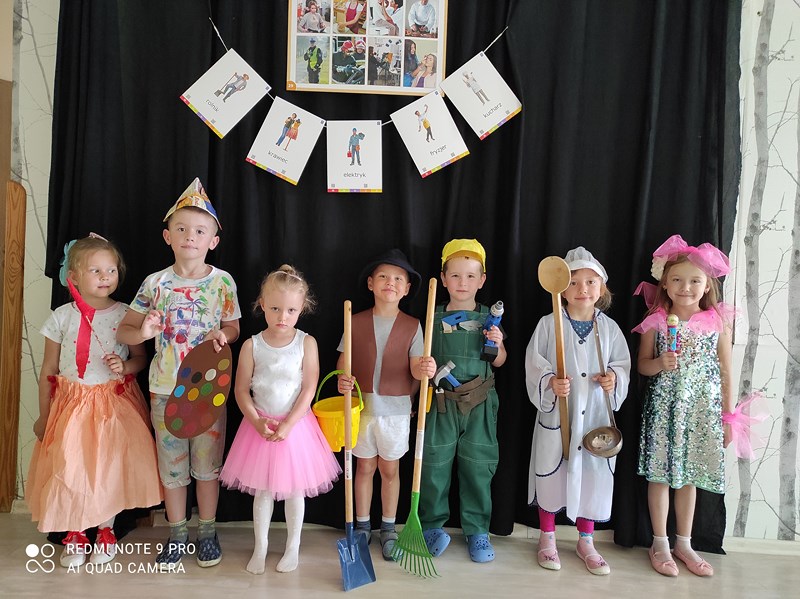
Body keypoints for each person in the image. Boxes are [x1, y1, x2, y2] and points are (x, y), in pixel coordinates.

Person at [117, 178, 241, 567]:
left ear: (213, 241)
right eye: (182, 229)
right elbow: (124, 330)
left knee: (206, 467)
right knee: (172, 469)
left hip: (207, 389)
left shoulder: (222, 282)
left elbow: (234, 327)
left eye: (200, 231)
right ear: (167, 236)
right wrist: (144, 331)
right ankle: (177, 534)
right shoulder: (154, 283)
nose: (191, 236)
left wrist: (224, 335)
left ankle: (207, 531)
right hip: (164, 389)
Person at [26, 234, 162, 568]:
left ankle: (106, 530)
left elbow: (140, 359)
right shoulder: (61, 316)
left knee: (109, 469)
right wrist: (44, 415)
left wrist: (124, 366)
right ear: (73, 276)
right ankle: (75, 532)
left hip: (112, 405)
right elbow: (48, 369)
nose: (105, 277)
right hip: (71, 406)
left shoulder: (125, 313)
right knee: (71, 468)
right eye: (96, 270)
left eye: (111, 270)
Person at [219, 266, 341, 574]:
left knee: (295, 490)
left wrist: (288, 424)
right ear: (262, 304)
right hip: (260, 427)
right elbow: (240, 389)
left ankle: (292, 547)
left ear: (302, 308)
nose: (282, 316)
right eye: (275, 308)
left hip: (295, 428)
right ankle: (260, 547)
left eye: (290, 310)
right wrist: (256, 421)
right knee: (263, 491)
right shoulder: (252, 345)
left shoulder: (306, 343)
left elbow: (309, 387)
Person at [525, 247, 631, 575]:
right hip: (559, 414)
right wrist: (549, 383)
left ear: (602, 288)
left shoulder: (610, 329)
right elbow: (535, 364)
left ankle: (586, 540)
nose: (582, 289)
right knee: (551, 471)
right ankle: (547, 537)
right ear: (561, 288)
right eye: (573, 282)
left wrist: (614, 378)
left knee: (593, 475)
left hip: (595, 417)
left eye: (590, 282)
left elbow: (622, 364)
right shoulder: (549, 324)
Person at [634, 234, 734, 578]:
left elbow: (725, 371)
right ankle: (659, 542)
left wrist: (728, 418)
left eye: (694, 281)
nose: (685, 287)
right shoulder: (657, 319)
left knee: (689, 477)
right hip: (665, 410)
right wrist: (660, 363)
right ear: (665, 282)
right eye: (677, 279)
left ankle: (684, 543)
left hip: (701, 412)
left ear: (707, 285)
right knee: (660, 476)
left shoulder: (717, 322)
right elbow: (642, 366)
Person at [336, 249, 436, 560]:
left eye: (397, 279)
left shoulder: (413, 325)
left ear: (407, 289)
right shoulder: (354, 321)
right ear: (371, 283)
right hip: (362, 410)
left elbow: (416, 370)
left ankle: (389, 528)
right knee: (363, 467)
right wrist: (342, 380)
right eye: (383, 276)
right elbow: (343, 363)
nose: (390, 282)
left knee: (390, 469)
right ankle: (363, 525)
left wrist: (426, 370)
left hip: (395, 412)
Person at [418, 239, 506, 563]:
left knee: (478, 467)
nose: (462, 283)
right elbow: (418, 360)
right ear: (443, 278)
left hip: (480, 405)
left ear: (482, 280)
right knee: (433, 466)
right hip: (440, 404)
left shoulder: (489, 318)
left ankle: (477, 531)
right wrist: (423, 368)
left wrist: (497, 343)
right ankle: (430, 526)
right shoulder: (432, 316)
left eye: (470, 276)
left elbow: (500, 361)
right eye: (455, 275)